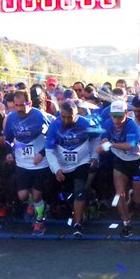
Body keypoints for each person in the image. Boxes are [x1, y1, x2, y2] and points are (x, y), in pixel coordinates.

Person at [45, 98, 100, 238]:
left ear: (76, 114)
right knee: (69, 194)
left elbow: (96, 138)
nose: (66, 120)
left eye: (70, 117)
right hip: (62, 165)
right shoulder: (54, 126)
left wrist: (94, 156)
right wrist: (56, 169)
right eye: (63, 117)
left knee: (79, 190)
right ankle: (88, 204)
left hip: (81, 162)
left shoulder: (86, 123)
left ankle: (77, 224)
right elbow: (49, 150)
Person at [4, 89, 52, 235]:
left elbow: (51, 137)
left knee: (37, 195)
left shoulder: (39, 116)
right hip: (22, 162)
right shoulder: (11, 118)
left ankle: (39, 221)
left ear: (29, 103)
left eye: (22, 105)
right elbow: (7, 139)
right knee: (22, 195)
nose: (19, 109)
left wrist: (42, 153)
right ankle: (37, 205)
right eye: (16, 105)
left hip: (39, 162)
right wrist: (9, 152)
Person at [102, 99, 140, 237]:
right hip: (120, 160)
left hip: (136, 161)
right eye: (114, 116)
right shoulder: (108, 124)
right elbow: (104, 140)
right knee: (119, 193)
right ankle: (126, 223)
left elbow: (130, 145)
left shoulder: (132, 125)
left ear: (126, 114)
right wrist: (103, 143)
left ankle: (132, 195)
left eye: (120, 116)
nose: (117, 120)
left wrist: (112, 145)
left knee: (138, 199)